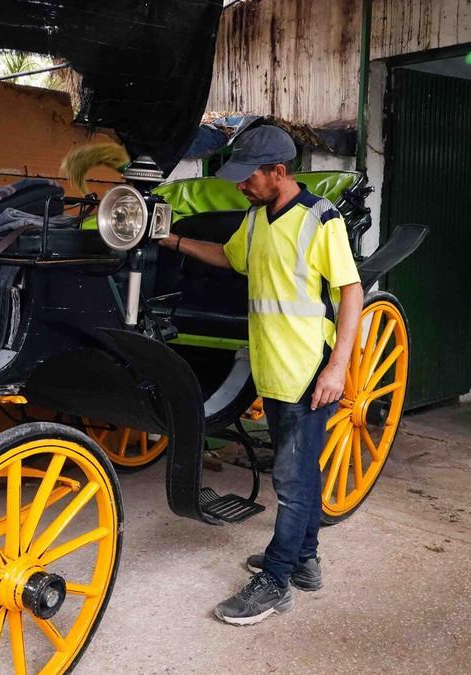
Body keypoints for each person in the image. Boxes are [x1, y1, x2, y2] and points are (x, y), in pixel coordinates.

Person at [158, 125, 364, 625]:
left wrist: (337, 368)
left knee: (291, 482)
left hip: (308, 371)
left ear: (279, 172)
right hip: (271, 369)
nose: (239, 187)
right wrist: (172, 239)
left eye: (248, 177)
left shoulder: (321, 219)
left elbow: (351, 292)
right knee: (302, 472)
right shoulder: (256, 220)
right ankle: (306, 561)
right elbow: (229, 259)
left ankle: (275, 580)